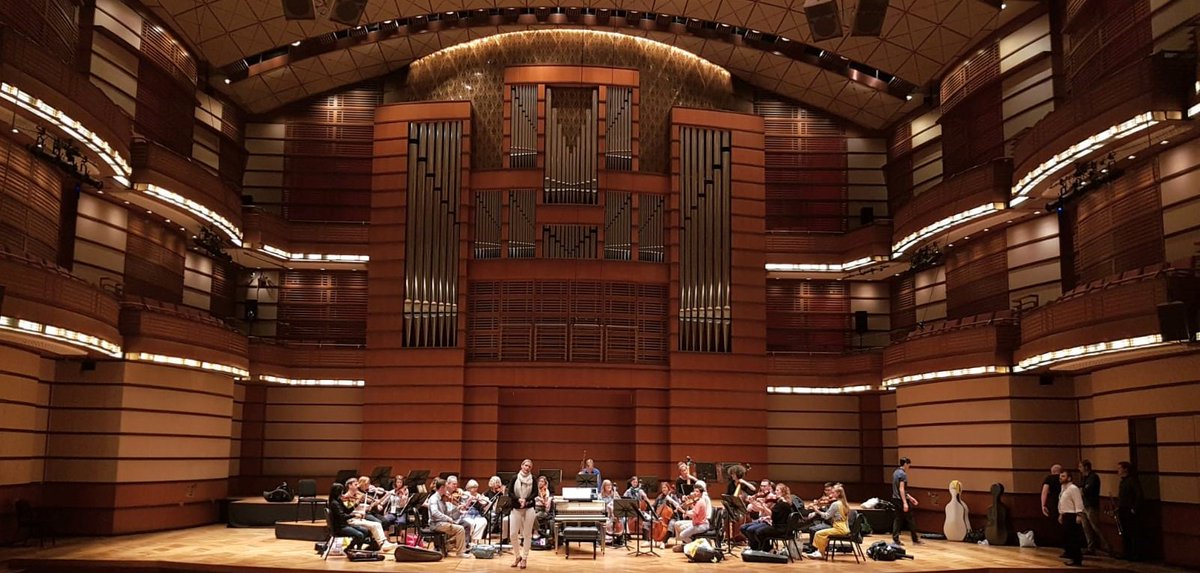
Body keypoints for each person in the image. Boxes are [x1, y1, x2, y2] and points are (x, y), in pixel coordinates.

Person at [745, 483, 795, 551]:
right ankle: (758, 548)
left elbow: (771, 513)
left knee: (758, 531)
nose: (775, 492)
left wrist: (763, 505)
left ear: (783, 492)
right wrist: (768, 517)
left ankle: (765, 549)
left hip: (779, 529)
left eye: (777, 490)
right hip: (781, 527)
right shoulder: (784, 502)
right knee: (754, 530)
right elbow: (778, 516)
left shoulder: (782, 504)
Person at [427, 477, 469, 557]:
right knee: (460, 529)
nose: (447, 490)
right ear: (442, 488)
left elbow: (447, 513)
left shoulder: (442, 498)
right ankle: (460, 553)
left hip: (442, 523)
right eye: (446, 487)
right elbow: (434, 512)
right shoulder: (433, 499)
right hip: (436, 524)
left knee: (461, 529)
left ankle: (446, 546)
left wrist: (457, 509)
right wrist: (447, 518)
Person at [508, 459, 538, 569]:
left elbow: (535, 493)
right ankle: (517, 556)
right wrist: (518, 499)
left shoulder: (533, 479)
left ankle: (524, 558)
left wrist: (525, 499)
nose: (527, 468)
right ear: (521, 466)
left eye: (529, 466)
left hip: (529, 507)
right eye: (525, 465)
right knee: (513, 533)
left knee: (527, 534)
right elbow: (509, 492)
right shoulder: (514, 478)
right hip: (516, 507)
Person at [806, 484, 850, 559]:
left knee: (818, 533)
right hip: (845, 528)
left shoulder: (836, 504)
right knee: (821, 533)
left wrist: (816, 510)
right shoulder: (844, 503)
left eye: (833, 493)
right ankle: (820, 552)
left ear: (838, 493)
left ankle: (820, 553)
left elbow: (826, 516)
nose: (831, 494)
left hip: (839, 528)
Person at [1077, 460, 1110, 555]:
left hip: (1091, 505)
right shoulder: (1083, 478)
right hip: (1084, 505)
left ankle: (1108, 547)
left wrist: (1082, 490)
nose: (1079, 469)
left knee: (1096, 527)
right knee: (1086, 528)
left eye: (1080, 466)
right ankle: (1090, 547)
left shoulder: (1093, 477)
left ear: (1086, 467)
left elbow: (1085, 491)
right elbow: (1080, 490)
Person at [327, 483, 371, 551]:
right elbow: (342, 516)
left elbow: (347, 511)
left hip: (344, 524)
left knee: (365, 531)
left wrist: (357, 503)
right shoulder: (334, 503)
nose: (342, 493)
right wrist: (354, 515)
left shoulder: (338, 501)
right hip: (339, 527)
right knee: (360, 535)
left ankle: (358, 549)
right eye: (341, 491)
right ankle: (350, 548)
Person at [672, 480, 711, 549]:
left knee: (682, 534)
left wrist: (683, 511)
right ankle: (690, 545)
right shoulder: (698, 500)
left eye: (697, 491)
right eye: (694, 491)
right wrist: (689, 504)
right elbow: (694, 510)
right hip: (698, 523)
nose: (695, 493)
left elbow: (694, 514)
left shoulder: (701, 501)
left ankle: (694, 546)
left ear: (701, 493)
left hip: (701, 524)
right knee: (680, 528)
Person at [1117, 461, 1143, 561]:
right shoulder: (1123, 481)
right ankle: (1126, 553)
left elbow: (1139, 495)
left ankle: (1135, 554)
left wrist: (1134, 508)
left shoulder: (1132, 480)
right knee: (1125, 532)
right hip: (1123, 509)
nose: (1118, 470)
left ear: (1125, 469)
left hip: (1129, 510)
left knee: (1133, 533)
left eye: (1120, 468)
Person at [1058, 470, 1085, 567]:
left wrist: (1079, 515)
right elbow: (1062, 502)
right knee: (1067, 537)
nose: (1060, 477)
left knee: (1074, 538)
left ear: (1069, 478)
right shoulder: (1063, 488)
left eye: (1063, 476)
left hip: (1072, 515)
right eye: (1060, 476)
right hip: (1066, 515)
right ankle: (1071, 556)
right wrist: (1061, 514)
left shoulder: (1073, 488)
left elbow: (1078, 501)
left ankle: (1077, 559)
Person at [891, 457, 921, 545]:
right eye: (908, 465)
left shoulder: (895, 473)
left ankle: (895, 538)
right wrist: (905, 502)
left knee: (897, 519)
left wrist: (911, 498)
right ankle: (915, 539)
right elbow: (901, 489)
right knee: (910, 519)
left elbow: (899, 489)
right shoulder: (903, 474)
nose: (909, 467)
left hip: (895, 499)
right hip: (901, 500)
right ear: (905, 464)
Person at [462, 479, 490, 544]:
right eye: (473, 487)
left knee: (483, 522)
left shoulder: (478, 495)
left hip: (477, 515)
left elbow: (484, 505)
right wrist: (469, 500)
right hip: (467, 514)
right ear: (468, 488)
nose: (475, 489)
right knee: (471, 523)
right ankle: (469, 540)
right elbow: (464, 507)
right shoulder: (465, 495)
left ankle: (475, 539)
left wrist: (482, 501)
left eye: (476, 487)